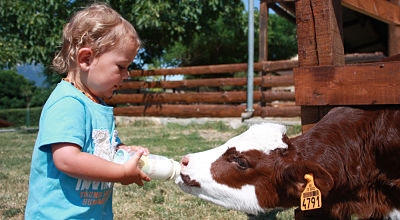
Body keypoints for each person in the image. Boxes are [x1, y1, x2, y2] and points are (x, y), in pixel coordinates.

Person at [25, 3, 150, 219]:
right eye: (121, 67)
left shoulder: (97, 102)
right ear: (86, 59)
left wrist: (122, 150)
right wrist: (121, 173)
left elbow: (101, 145)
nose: (127, 75)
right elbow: (67, 159)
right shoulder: (67, 102)